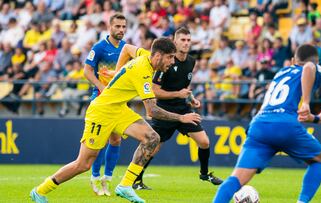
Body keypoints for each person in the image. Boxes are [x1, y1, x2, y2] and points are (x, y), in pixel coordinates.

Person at [30, 38, 202, 203]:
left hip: (118, 109)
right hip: (102, 112)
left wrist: (117, 73)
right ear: (158, 55)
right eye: (170, 57)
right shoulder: (142, 71)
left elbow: (126, 49)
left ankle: (125, 185)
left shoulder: (145, 55)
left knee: (152, 138)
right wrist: (181, 117)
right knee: (83, 164)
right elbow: (152, 110)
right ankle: (40, 190)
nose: (172, 62)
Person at [213, 44, 321, 203]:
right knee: (320, 160)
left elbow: (295, 113)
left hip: (259, 125)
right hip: (284, 126)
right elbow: (309, 67)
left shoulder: (281, 73)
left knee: (235, 179)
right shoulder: (314, 67)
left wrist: (317, 118)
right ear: (318, 61)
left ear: (292, 60)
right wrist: (306, 102)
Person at [129, 27, 223, 190]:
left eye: (188, 40)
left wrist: (190, 97)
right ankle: (136, 180)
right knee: (153, 147)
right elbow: (155, 91)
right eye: (182, 40)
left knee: (204, 141)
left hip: (183, 108)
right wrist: (177, 94)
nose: (186, 43)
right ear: (175, 41)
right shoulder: (165, 62)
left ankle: (204, 173)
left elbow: (184, 86)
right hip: (164, 110)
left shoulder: (191, 61)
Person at [82, 13, 127, 196]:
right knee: (99, 142)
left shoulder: (126, 48)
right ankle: (94, 177)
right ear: (110, 27)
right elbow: (87, 71)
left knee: (116, 139)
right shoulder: (100, 47)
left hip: (118, 100)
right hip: (100, 100)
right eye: (117, 26)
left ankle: (106, 179)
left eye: (123, 27)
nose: (121, 30)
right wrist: (101, 86)